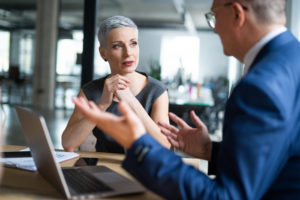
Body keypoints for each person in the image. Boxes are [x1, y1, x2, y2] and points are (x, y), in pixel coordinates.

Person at [72, 0, 300, 199]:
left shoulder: (260, 87)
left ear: (237, 14)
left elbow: (228, 196)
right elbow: (273, 158)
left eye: (214, 16)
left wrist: (138, 145)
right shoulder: (292, 59)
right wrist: (210, 150)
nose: (215, 28)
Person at [62, 16, 170, 153]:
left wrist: (131, 100)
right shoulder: (90, 91)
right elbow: (68, 143)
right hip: (103, 169)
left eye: (133, 43)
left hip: (144, 171)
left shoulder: (157, 91)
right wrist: (102, 105)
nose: (128, 53)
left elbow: (165, 145)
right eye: (117, 46)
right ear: (103, 53)